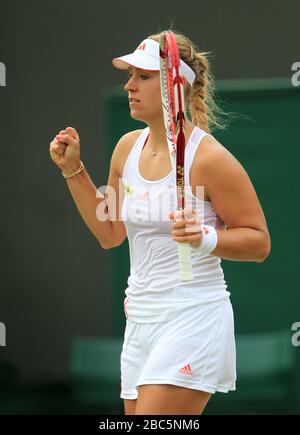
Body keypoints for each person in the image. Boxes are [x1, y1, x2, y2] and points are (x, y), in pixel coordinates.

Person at [49, 30, 271, 415]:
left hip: (193, 317)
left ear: (174, 83)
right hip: (140, 321)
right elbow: (110, 232)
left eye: (143, 76)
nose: (129, 85)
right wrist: (74, 171)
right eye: (130, 75)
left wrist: (204, 237)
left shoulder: (210, 159)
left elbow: (259, 242)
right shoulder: (125, 148)